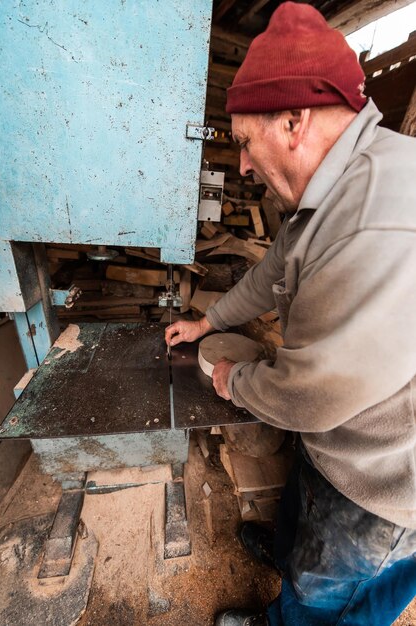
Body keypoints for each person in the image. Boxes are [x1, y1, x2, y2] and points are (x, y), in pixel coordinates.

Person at [165, 3, 416, 625]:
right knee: (300, 516)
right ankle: (284, 555)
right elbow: (271, 271)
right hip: (344, 439)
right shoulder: (328, 195)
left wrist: (233, 381)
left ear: (294, 120)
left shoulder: (376, 218)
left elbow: (311, 396)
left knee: (327, 595)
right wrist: (209, 323)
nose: (243, 165)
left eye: (245, 143)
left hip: (385, 485)